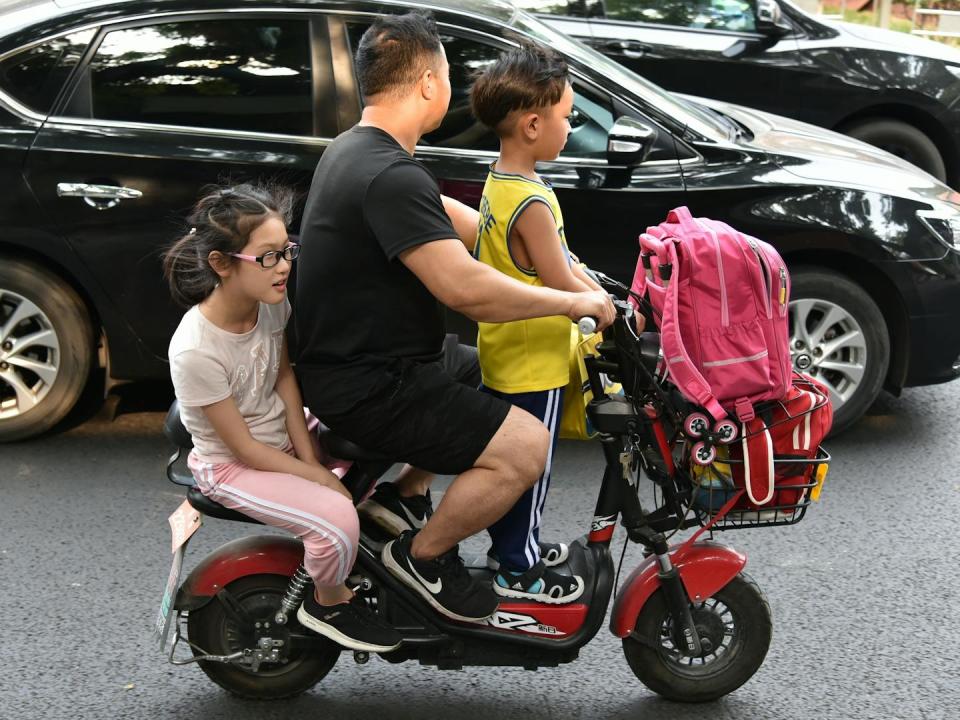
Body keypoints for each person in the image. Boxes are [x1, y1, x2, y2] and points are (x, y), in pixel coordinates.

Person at [293, 12, 615, 624]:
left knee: (488, 375)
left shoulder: (356, 151)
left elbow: (458, 220)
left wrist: (561, 259)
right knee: (527, 446)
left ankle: (406, 494)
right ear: (427, 85)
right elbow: (466, 289)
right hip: (371, 383)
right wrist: (574, 302)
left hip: (380, 361)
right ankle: (424, 558)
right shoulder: (389, 174)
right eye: (443, 71)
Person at [163, 184, 401, 653]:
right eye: (268, 257)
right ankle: (329, 601)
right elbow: (244, 449)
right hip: (232, 465)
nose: (285, 267)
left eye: (287, 251)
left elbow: (284, 378)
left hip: (281, 439)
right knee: (335, 519)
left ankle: (371, 531)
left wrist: (309, 451)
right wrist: (316, 476)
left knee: (388, 422)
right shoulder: (195, 350)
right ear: (221, 264)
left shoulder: (268, 305)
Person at [466, 43, 606, 604]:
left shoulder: (501, 182)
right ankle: (516, 565)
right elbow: (558, 280)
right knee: (530, 465)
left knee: (512, 459)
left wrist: (584, 276)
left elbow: (551, 263)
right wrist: (604, 304)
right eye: (567, 117)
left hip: (506, 350)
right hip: (537, 358)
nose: (570, 128)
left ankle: (516, 546)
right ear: (531, 124)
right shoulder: (535, 203)